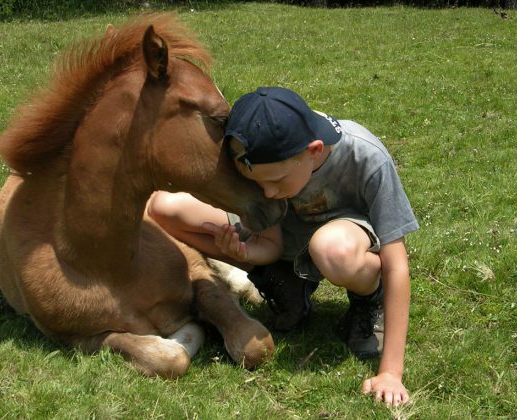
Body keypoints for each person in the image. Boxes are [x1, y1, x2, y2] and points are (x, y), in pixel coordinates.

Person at [147, 87, 419, 406]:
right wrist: (244, 254)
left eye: (277, 182)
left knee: (331, 249)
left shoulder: (366, 157)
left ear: (314, 150)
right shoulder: (261, 151)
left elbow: (397, 262)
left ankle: (369, 299)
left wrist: (390, 372)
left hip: (343, 242)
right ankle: (285, 283)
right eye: (259, 184)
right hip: (289, 240)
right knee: (164, 209)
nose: (269, 192)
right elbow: (271, 241)